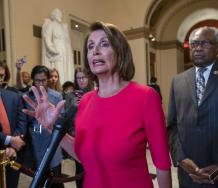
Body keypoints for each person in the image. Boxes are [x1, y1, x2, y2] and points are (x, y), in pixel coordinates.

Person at [23, 21, 172, 188]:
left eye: (104, 44)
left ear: (120, 51)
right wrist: (52, 128)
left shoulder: (146, 97)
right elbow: (82, 155)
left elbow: (162, 164)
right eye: (90, 46)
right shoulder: (86, 101)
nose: (95, 51)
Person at [167, 26, 218, 188]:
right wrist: (181, 159)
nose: (197, 48)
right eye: (194, 44)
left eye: (205, 43)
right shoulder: (178, 81)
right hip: (190, 176)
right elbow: (172, 126)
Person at [24, 65, 64, 188]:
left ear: (48, 80)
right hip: (35, 144)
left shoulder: (56, 96)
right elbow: (25, 121)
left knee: (56, 182)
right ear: (32, 80)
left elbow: (62, 121)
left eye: (44, 80)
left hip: (52, 142)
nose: (41, 83)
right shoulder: (27, 96)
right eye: (37, 80)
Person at [0, 60, 27, 188]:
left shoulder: (14, 97)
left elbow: (22, 123)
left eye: (1, 75)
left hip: (13, 155)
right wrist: (10, 140)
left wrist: (14, 146)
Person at [42, 8, 74, 84]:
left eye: (60, 13)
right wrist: (52, 49)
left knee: (66, 69)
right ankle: (60, 85)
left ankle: (67, 85)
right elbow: (47, 37)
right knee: (59, 69)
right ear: (54, 15)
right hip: (57, 50)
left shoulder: (63, 27)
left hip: (65, 51)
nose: (59, 15)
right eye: (57, 13)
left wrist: (70, 53)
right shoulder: (51, 24)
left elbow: (67, 40)